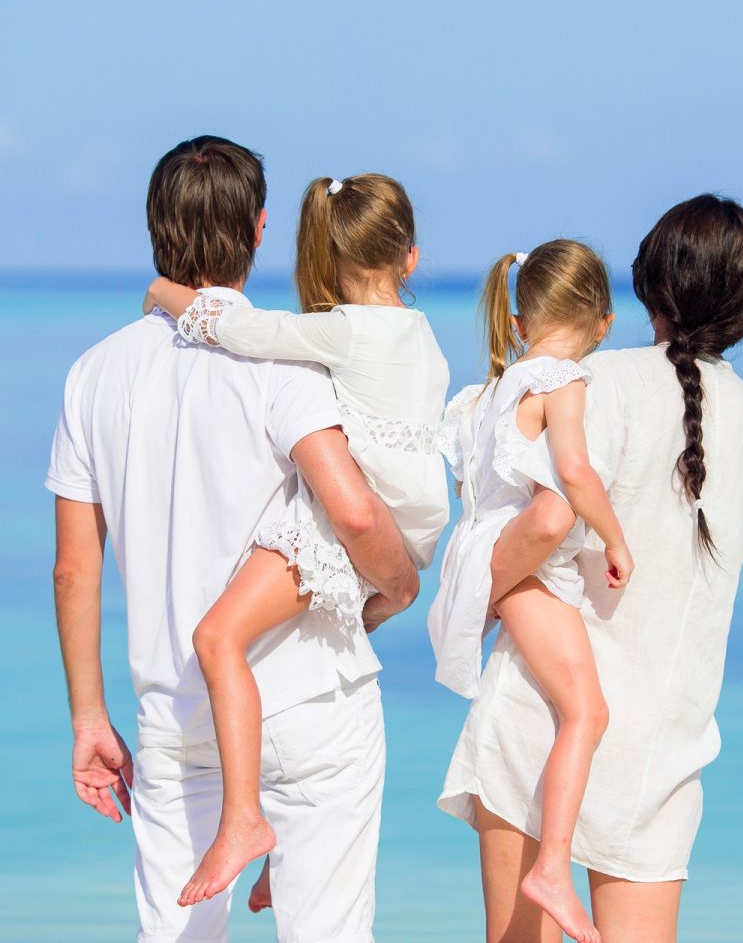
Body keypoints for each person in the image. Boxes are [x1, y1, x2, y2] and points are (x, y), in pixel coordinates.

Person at [46, 137, 418, 943]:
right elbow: (353, 512)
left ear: (154, 228)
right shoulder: (282, 360)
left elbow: (76, 569)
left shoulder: (93, 374)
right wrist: (401, 583)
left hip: (173, 714)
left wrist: (87, 718)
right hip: (309, 700)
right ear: (258, 229)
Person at [438, 195, 743, 943]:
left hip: (545, 719)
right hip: (662, 745)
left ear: (649, 284)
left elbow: (541, 526)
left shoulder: (592, 380)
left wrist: (474, 592)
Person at [143, 171, 450, 905]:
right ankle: (289, 844)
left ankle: (245, 818)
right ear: (411, 258)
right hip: (418, 528)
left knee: (218, 638)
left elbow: (240, 328)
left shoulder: (339, 331)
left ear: (325, 254)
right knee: (337, 650)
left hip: (356, 518)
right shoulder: (424, 335)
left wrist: (164, 293)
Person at [429, 240, 634, 943]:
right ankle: (552, 867)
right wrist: (614, 537)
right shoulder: (562, 382)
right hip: (525, 566)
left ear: (517, 322)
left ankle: (547, 865)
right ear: (604, 323)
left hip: (479, 552)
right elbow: (571, 478)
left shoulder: (485, 394)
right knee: (587, 711)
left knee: (569, 707)